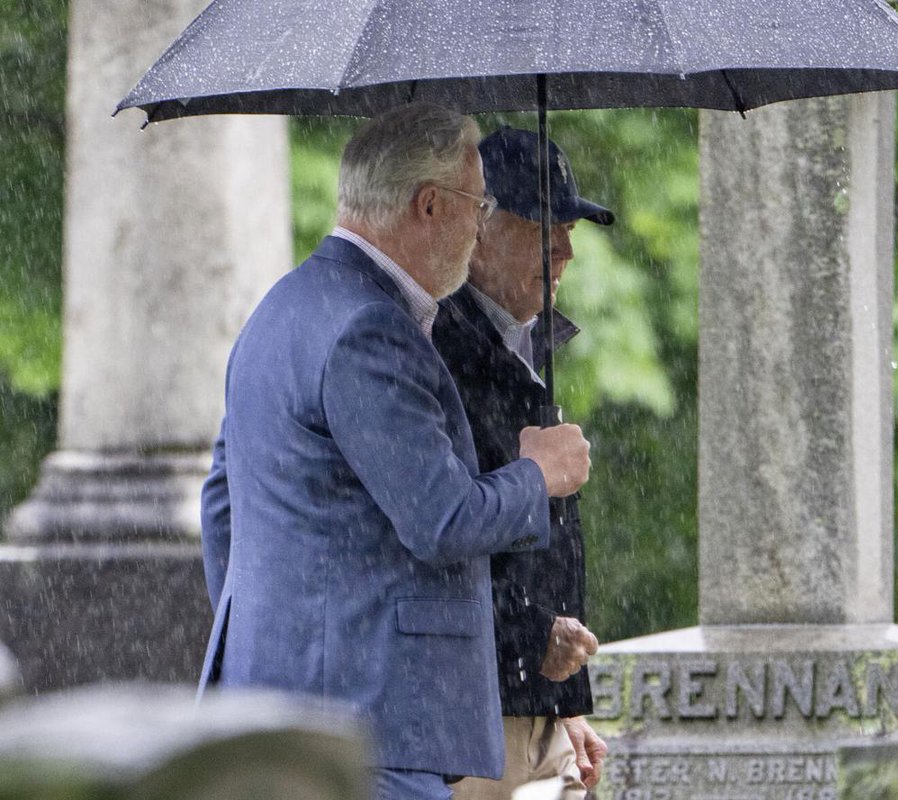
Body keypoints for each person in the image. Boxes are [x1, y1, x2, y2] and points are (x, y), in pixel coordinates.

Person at [196, 104, 592, 800]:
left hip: (283, 712)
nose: (478, 229)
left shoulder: (282, 307)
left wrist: (284, 633)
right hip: (372, 725)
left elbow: (223, 504)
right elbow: (439, 520)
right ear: (429, 206)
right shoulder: (371, 331)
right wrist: (540, 475)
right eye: (476, 206)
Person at [432, 127, 613, 800]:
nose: (565, 248)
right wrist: (530, 643)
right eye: (544, 225)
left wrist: (565, 702)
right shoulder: (433, 350)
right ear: (478, 230)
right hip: (475, 719)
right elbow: (447, 534)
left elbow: (547, 541)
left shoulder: (523, 338)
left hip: (532, 711)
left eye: (568, 228)